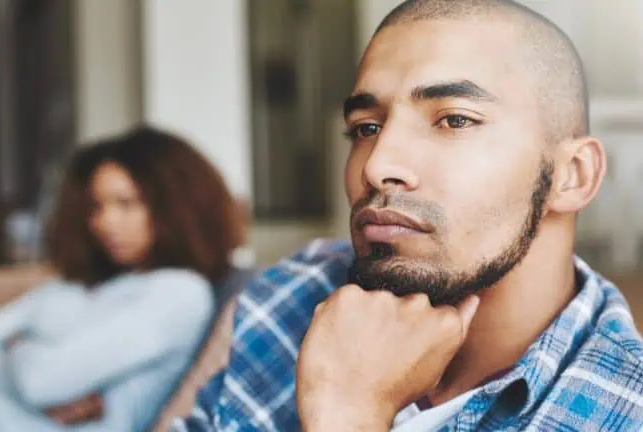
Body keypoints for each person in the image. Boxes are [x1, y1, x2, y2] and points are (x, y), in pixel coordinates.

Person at [172, 1, 643, 431]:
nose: (377, 166)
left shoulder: (624, 409)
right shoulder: (289, 293)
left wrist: (349, 414)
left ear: (573, 175)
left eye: (454, 120)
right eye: (366, 128)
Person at [0, 126, 244, 431]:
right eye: (97, 207)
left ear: (175, 207)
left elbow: (41, 382)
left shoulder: (178, 293)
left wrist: (16, 349)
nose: (105, 222)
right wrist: (35, 371)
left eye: (126, 204)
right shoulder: (77, 284)